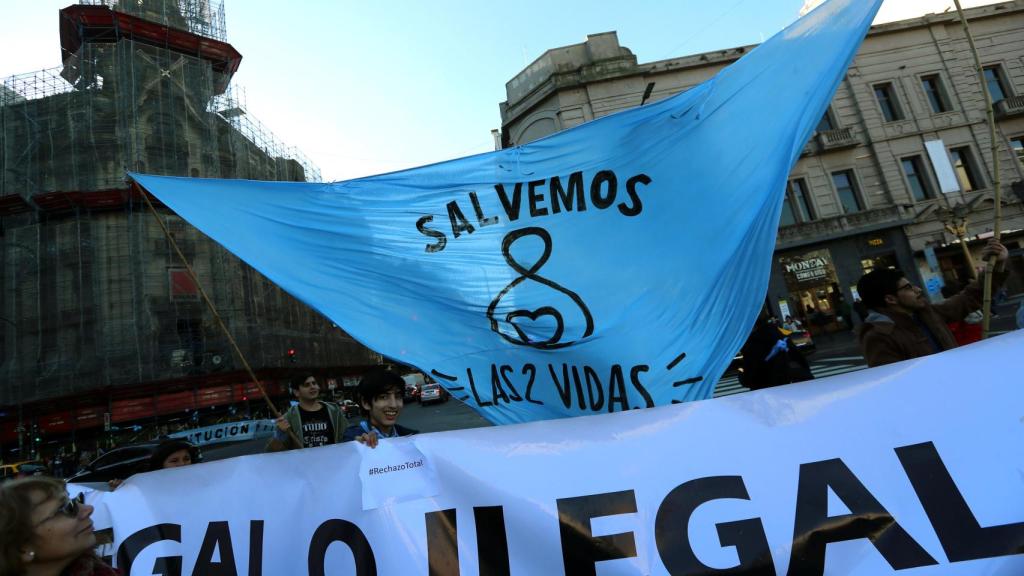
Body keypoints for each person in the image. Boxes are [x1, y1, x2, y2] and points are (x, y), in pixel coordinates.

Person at [856, 238, 1009, 367]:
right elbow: (891, 385)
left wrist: (997, 265)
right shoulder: (879, 336)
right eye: (908, 288)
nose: (918, 290)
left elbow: (969, 297)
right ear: (890, 299)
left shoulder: (928, 312)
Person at [0, 476, 117, 576]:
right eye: (67, 508)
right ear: (23, 550)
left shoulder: (97, 569)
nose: (88, 509)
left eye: (73, 501)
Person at [266, 375, 347, 451]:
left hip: (333, 461)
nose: (312, 387)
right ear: (296, 392)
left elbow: (347, 435)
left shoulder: (334, 411)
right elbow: (271, 451)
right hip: (305, 464)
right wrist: (279, 436)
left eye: (314, 383)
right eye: (306, 385)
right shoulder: (288, 418)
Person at [343, 370, 417, 447]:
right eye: (384, 397)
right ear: (366, 403)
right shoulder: (353, 437)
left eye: (398, 396)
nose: (394, 405)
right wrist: (354, 446)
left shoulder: (413, 437)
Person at [738, 315, 814, 390]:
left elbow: (748, 379)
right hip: (794, 385)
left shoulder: (752, 344)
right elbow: (801, 360)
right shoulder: (781, 335)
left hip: (767, 390)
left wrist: (741, 373)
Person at [109, 438, 200, 490]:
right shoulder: (150, 488)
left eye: (186, 459)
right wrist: (121, 490)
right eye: (174, 461)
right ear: (161, 465)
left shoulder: (201, 481)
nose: (182, 464)